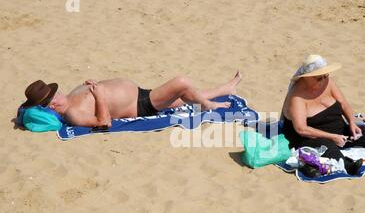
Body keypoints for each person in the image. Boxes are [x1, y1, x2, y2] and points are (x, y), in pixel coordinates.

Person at [20, 72, 242, 127]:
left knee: (184, 98)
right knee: (182, 83)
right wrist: (100, 97)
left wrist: (94, 86)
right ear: (51, 105)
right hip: (141, 105)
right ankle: (208, 106)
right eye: (53, 96)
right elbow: (103, 124)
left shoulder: (69, 99)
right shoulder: (72, 114)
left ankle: (225, 88)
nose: (58, 94)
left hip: (140, 95)